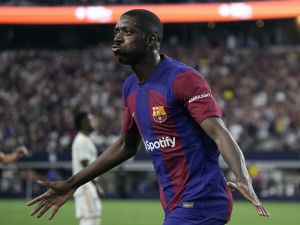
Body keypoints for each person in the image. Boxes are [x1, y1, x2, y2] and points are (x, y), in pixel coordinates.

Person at [27, 9, 270, 225]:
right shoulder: (130, 88)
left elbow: (219, 132)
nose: (117, 38)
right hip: (174, 204)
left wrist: (243, 177)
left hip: (201, 200)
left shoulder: (183, 78)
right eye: (116, 32)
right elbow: (126, 145)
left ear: (151, 39)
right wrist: (72, 183)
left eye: (127, 32)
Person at [72, 112, 104, 225]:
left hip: (87, 185)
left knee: (93, 218)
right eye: (91, 120)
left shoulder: (86, 139)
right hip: (85, 186)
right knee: (89, 220)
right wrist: (96, 185)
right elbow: (85, 163)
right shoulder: (81, 140)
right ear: (83, 123)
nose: (93, 122)